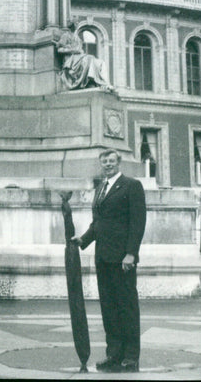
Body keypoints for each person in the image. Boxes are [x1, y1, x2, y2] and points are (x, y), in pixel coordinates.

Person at [72, 149, 147, 372]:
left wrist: (131, 253)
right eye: (104, 161)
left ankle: (131, 356)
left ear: (118, 163)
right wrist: (82, 239)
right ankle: (113, 354)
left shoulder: (132, 186)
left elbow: (138, 222)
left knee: (127, 307)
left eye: (111, 161)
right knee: (109, 309)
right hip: (103, 258)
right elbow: (98, 223)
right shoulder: (101, 188)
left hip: (122, 259)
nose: (107, 164)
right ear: (101, 163)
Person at [55, 20, 112, 90]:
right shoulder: (66, 36)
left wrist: (80, 51)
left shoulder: (78, 39)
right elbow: (59, 50)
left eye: (77, 24)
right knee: (89, 58)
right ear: (71, 25)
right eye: (75, 24)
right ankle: (90, 80)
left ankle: (103, 83)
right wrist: (72, 50)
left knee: (100, 62)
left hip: (79, 58)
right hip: (70, 60)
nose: (76, 25)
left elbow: (80, 50)